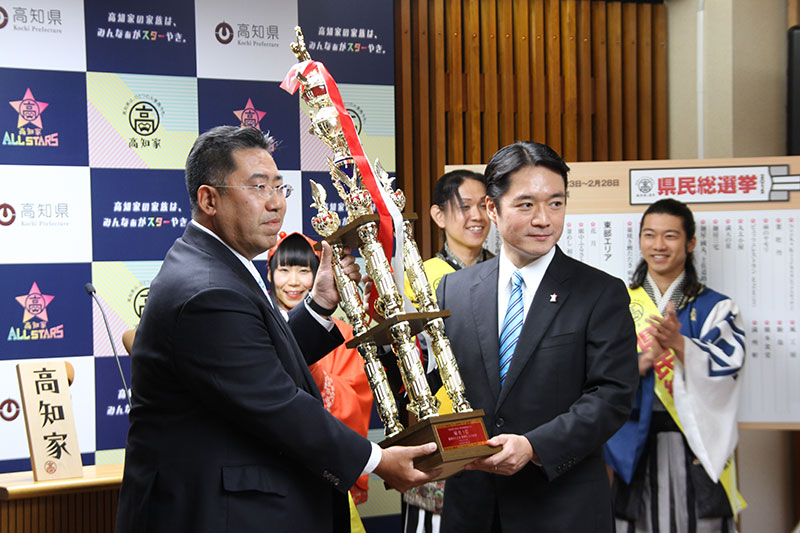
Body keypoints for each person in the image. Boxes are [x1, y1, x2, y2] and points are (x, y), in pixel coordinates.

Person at [114, 126, 439, 533]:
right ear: (209, 199)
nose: (276, 204)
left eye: (279, 188)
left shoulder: (213, 264)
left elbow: (251, 361)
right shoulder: (208, 288)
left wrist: (319, 304)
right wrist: (376, 460)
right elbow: (274, 401)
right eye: (257, 187)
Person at [434, 141, 639, 532]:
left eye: (556, 204)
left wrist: (534, 447)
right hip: (472, 507)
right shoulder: (453, 291)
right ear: (492, 209)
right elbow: (443, 385)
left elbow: (612, 396)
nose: (544, 219)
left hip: (562, 506)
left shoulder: (599, 293)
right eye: (526, 204)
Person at [605, 198, 745, 533]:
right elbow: (594, 370)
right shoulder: (616, 302)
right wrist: (640, 364)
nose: (658, 245)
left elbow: (728, 369)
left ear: (690, 242)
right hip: (632, 444)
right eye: (649, 235)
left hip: (695, 443)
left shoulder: (717, 307)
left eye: (670, 236)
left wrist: (680, 345)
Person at [401, 169, 494, 533]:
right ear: (438, 215)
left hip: (495, 430)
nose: (477, 217)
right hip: (439, 430)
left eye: (484, 206)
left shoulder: (507, 275)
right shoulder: (418, 277)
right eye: (464, 206)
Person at [266, 231, 373, 507]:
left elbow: (357, 404)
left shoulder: (347, 336)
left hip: (326, 481)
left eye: (304, 271)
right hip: (267, 477)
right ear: (269, 274)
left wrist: (313, 372)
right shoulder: (256, 329)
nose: (293, 281)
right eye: (284, 270)